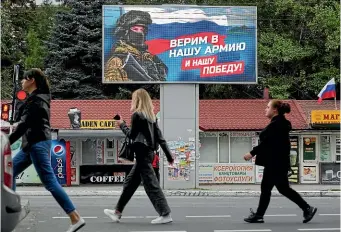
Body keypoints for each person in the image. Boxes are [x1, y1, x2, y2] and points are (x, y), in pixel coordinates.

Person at [9, 68, 85, 232]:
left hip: (37, 144)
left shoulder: (37, 101)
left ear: (31, 80)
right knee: (8, 172)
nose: (22, 82)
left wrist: (5, 144)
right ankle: (10, 209)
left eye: (24, 79)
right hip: (31, 145)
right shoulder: (35, 99)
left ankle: (75, 217)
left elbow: (23, 125)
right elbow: (21, 120)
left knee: (50, 181)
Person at [104, 88, 174, 224]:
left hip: (142, 155)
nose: (132, 101)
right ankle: (117, 212)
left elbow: (131, 135)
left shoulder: (137, 115)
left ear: (138, 100)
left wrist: (121, 124)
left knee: (151, 186)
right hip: (148, 154)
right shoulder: (151, 117)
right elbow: (160, 138)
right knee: (130, 183)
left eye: (133, 98)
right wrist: (169, 156)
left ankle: (165, 214)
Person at [243, 100, 317, 224]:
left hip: (275, 163)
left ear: (275, 110)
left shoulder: (277, 124)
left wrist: (252, 153)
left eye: (267, 107)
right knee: (283, 189)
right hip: (278, 162)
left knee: (267, 188)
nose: (265, 109)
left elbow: (267, 143)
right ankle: (307, 208)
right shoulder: (279, 123)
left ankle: (259, 215)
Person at [104, 10, 168, 82]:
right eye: (135, 29)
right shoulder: (118, 61)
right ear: (125, 32)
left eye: (142, 29)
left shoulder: (150, 58)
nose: (140, 33)